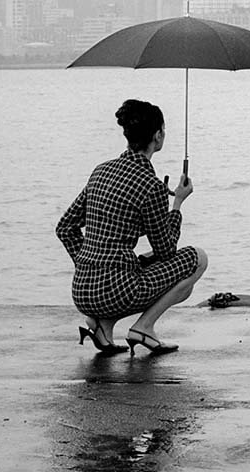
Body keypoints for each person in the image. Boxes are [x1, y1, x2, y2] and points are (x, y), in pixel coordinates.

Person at [55, 99, 208, 356]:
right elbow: (167, 250)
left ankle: (103, 327)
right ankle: (144, 328)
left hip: (81, 291)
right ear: (157, 136)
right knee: (197, 259)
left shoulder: (101, 171)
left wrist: (86, 262)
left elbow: (64, 228)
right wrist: (177, 203)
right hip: (117, 290)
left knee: (143, 261)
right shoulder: (151, 185)